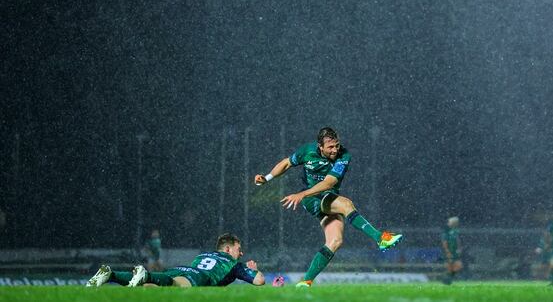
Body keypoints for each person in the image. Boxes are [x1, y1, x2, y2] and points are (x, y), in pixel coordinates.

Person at [254, 127, 403, 287]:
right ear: (320, 146)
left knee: (335, 241)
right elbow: (286, 163)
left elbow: (329, 183)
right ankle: (380, 238)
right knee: (346, 204)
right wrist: (267, 178)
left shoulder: (344, 156)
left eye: (337, 145)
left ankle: (305, 282)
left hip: (326, 196)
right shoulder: (307, 151)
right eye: (330, 147)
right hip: (311, 198)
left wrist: (301, 194)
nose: (335, 150)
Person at [86, 233, 265, 287]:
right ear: (227, 249)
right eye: (238, 249)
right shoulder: (234, 264)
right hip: (198, 277)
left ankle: (111, 274)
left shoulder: (203, 255)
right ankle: (146, 275)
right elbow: (259, 281)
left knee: (150, 288)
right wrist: (254, 269)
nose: (241, 253)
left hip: (183, 268)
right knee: (175, 284)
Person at [441, 216, 463, 284]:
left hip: (455, 251)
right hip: (449, 251)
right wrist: (447, 251)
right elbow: (444, 242)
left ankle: (447, 278)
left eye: (449, 222)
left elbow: (458, 241)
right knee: (450, 266)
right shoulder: (446, 232)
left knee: (458, 266)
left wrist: (459, 248)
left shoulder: (456, 231)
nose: (448, 223)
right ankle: (446, 279)